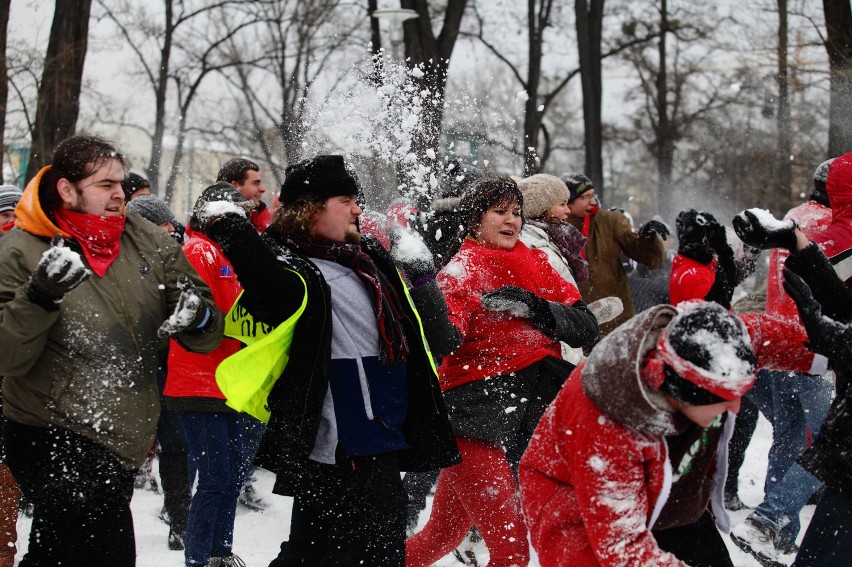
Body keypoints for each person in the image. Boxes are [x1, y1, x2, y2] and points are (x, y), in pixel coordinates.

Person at [204, 154, 460, 566]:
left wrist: (423, 275)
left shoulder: (365, 259)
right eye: (346, 199)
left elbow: (435, 335)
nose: (358, 209)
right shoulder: (294, 267)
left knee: (310, 553)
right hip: (346, 442)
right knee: (365, 555)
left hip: (381, 432)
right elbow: (266, 281)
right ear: (311, 209)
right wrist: (225, 217)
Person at [0, 135, 223, 566]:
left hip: (123, 433)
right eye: (104, 185)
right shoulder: (22, 250)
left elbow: (203, 318)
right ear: (67, 189)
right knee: (98, 550)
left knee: (63, 553)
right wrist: (40, 298)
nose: (119, 193)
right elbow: (8, 358)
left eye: (120, 182)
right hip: (50, 428)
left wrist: (197, 319)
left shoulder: (148, 242)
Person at [406, 177, 600, 567]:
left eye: (516, 211)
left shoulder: (536, 259)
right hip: (474, 423)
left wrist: (537, 308)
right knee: (511, 553)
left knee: (438, 538)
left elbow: (586, 325)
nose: (512, 220)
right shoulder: (461, 271)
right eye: (500, 212)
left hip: (524, 414)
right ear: (476, 219)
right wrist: (424, 282)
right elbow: (443, 341)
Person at [727, 161, 835, 565]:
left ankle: (781, 535)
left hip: (777, 345)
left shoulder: (792, 217)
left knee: (788, 439)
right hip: (813, 350)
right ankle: (772, 519)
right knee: (831, 446)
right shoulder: (832, 225)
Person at [164, 182, 256, 567]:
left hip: (226, 383)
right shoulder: (198, 250)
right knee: (218, 474)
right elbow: (206, 314)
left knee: (231, 473)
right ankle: (199, 557)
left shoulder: (223, 251)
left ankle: (219, 550)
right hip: (197, 384)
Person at [125, 193, 194, 550]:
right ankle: (113, 519)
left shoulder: (177, 257)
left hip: (169, 367)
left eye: (171, 226)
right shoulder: (122, 261)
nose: (172, 232)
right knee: (122, 448)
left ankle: (179, 519)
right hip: (134, 370)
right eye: (164, 227)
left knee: (177, 445)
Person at [561, 172, 668, 337]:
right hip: (575, 323)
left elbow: (651, 260)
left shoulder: (610, 222)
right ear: (568, 202)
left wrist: (649, 239)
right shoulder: (556, 228)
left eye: (592, 195)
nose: (592, 201)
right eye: (584, 197)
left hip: (617, 321)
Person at [217, 158, 271, 233]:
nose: (263, 189)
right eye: (256, 183)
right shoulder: (221, 226)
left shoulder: (262, 220)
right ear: (234, 187)